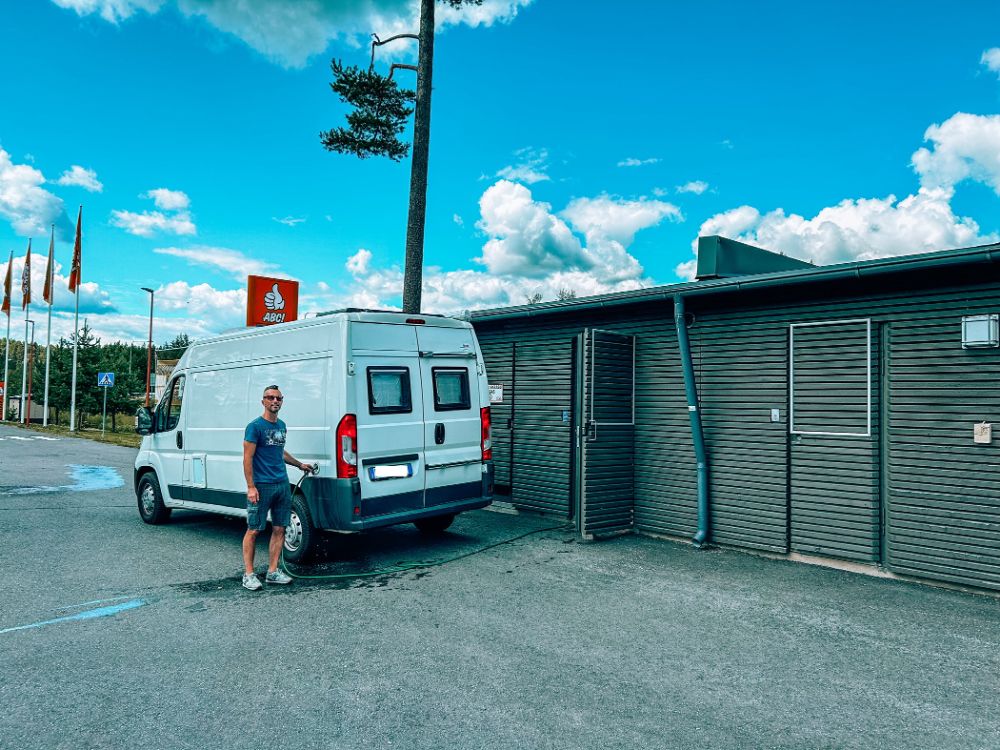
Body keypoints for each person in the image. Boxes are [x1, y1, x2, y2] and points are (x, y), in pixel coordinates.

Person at [241, 384, 315, 591]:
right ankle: (248, 574)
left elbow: (279, 452)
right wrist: (251, 487)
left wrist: (299, 464)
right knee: (254, 529)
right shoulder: (254, 427)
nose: (275, 401)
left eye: (278, 398)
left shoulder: (281, 425)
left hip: (282, 484)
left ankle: (272, 572)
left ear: (282, 402)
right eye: (270, 398)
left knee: (280, 528)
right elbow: (248, 458)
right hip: (261, 486)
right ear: (263, 401)